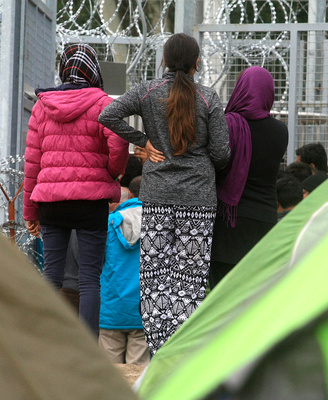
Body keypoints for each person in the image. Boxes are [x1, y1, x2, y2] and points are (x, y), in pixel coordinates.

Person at [98, 33, 231, 355]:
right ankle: (185, 354)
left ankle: (159, 352)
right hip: (198, 200)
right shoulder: (210, 98)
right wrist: (201, 164)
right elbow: (223, 153)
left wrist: (143, 141)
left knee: (156, 277)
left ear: (164, 61)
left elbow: (108, 115)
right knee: (190, 278)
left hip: (156, 196)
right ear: (197, 62)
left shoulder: (147, 91)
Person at [23, 44, 129, 336]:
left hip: (52, 203)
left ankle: (48, 348)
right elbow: (119, 144)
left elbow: (32, 162)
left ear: (64, 69)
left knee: (52, 276)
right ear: (93, 70)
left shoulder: (42, 105)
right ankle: (89, 357)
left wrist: (30, 212)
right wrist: (111, 175)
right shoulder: (103, 104)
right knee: (89, 280)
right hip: (91, 202)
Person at [209, 66, 289, 289]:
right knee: (254, 295)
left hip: (226, 222)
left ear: (240, 89)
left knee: (222, 295)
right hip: (263, 220)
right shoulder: (280, 131)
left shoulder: (225, 125)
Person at [99, 178, 150, 366]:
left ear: (130, 195)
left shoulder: (109, 223)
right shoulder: (159, 226)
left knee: (108, 377)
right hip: (143, 310)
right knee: (137, 378)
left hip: (110, 310)